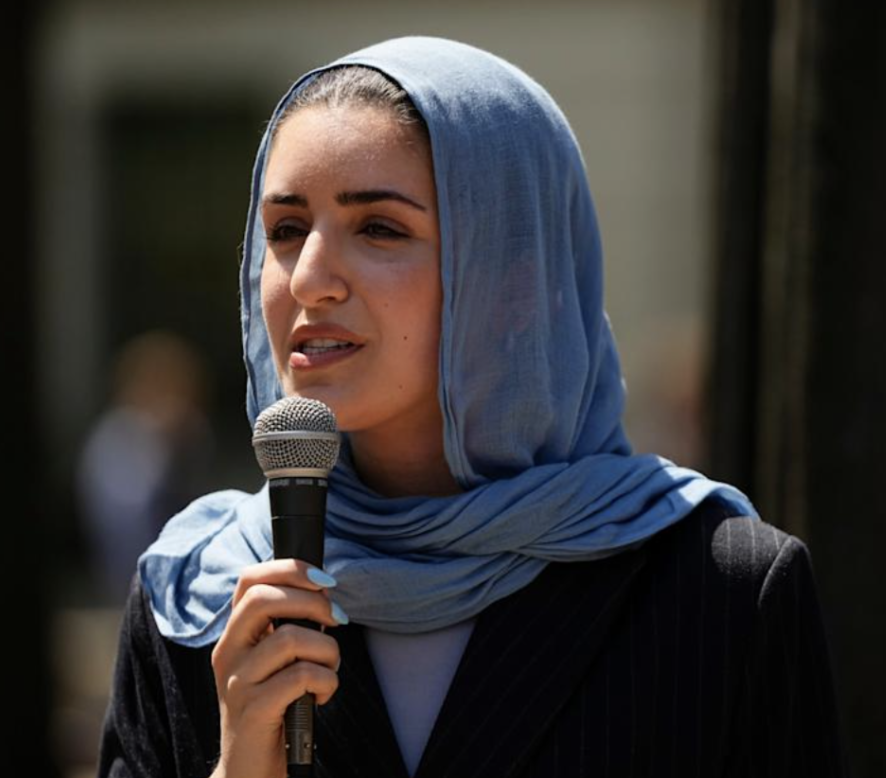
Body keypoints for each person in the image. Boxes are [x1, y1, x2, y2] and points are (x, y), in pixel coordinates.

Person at [98, 36, 847, 778]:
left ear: (515, 285)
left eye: (379, 228)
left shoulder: (717, 592)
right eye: (286, 230)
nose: (308, 280)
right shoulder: (195, 598)